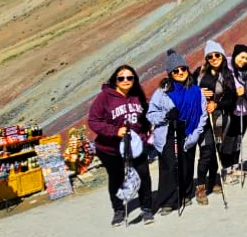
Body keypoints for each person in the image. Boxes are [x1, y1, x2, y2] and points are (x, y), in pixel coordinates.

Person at [87, 65, 153, 226]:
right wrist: (114, 131)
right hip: (111, 148)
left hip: (135, 146)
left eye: (130, 78)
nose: (125, 81)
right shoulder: (104, 97)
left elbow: (144, 117)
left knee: (143, 175)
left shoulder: (137, 95)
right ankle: (118, 210)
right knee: (116, 179)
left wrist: (145, 133)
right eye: (121, 78)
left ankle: (146, 208)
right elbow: (93, 121)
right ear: (115, 80)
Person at [146, 50, 207, 214]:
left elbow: (203, 115)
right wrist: (166, 116)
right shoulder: (162, 92)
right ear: (170, 73)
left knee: (186, 165)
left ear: (187, 70)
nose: (180, 73)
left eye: (183, 69)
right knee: (169, 166)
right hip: (168, 133)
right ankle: (168, 201)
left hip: (188, 132)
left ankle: (185, 193)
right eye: (176, 71)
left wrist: (195, 134)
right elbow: (150, 114)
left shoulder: (197, 91)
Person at [193, 40, 237, 205]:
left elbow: (232, 97)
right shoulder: (201, 74)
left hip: (220, 118)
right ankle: (200, 186)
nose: (213, 58)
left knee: (216, 149)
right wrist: (198, 92)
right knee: (206, 152)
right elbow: (188, 89)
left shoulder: (227, 74)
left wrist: (217, 104)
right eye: (210, 56)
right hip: (203, 120)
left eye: (216, 55)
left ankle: (215, 180)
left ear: (222, 55)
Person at [226, 44, 247, 183]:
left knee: (238, 139)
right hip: (231, 110)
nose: (243, 61)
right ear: (235, 55)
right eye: (241, 57)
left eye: (246, 58)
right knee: (229, 140)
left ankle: (235, 166)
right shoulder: (227, 69)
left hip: (245, 111)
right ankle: (226, 170)